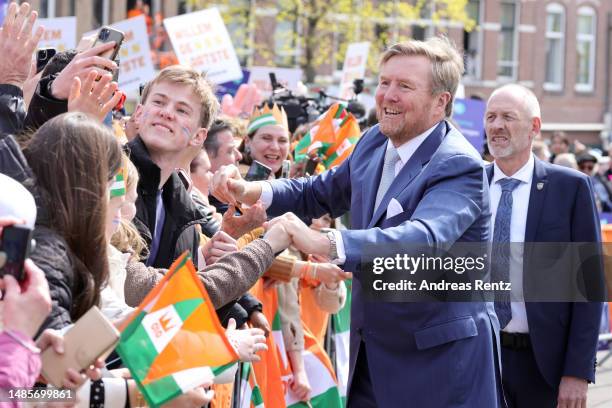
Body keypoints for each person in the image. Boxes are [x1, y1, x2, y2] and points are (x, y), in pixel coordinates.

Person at [212, 37, 501, 407]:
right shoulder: (373, 143)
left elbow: (422, 239)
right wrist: (252, 190)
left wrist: (324, 243)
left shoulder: (459, 165)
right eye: (384, 82)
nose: (387, 95)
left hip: (437, 369)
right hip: (371, 362)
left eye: (404, 86)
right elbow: (317, 191)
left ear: (440, 101)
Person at [484, 84, 604, 407]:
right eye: (491, 117)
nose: (497, 125)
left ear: (534, 127)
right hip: (480, 361)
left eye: (508, 117)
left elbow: (589, 285)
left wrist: (577, 371)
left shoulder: (570, 189)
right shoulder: (468, 186)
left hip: (544, 368)